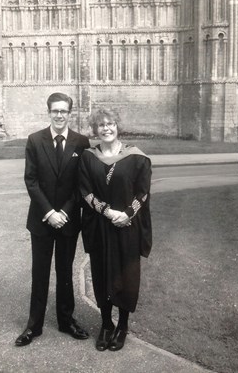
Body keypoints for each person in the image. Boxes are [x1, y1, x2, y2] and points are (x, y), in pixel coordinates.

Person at [15, 92, 90, 346]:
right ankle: (33, 326)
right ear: (49, 112)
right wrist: (50, 213)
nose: (59, 115)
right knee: (40, 272)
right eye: (55, 111)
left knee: (65, 271)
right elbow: (31, 181)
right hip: (41, 220)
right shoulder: (35, 140)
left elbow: (82, 184)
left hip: (69, 220)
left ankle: (66, 320)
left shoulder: (81, 143)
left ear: (70, 113)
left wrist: (65, 213)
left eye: (64, 111)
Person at [78, 108, 152, 352]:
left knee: (126, 276)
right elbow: (85, 192)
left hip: (127, 227)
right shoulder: (88, 157)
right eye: (101, 125)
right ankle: (106, 323)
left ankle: (123, 326)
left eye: (110, 124)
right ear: (95, 130)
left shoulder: (136, 157)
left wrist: (127, 214)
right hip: (101, 227)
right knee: (101, 274)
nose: (106, 129)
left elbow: (143, 192)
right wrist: (107, 211)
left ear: (118, 126)